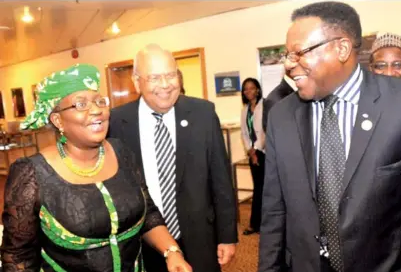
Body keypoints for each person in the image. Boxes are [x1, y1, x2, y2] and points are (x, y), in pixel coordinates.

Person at [259, 2, 401, 272]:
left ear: (341, 48)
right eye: (287, 55)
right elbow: (274, 212)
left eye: (299, 53)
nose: (289, 65)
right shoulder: (281, 116)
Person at [0, 64, 192, 272]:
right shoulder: (31, 174)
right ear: (57, 120)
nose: (96, 110)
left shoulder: (122, 152)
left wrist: (171, 251)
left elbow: (148, 213)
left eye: (100, 101)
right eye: (80, 104)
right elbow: (18, 257)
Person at [108, 44, 237, 272]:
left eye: (171, 75)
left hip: (199, 239)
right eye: (155, 77)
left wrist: (227, 235)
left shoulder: (203, 114)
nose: (166, 85)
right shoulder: (116, 122)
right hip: (142, 243)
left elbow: (221, 180)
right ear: (137, 82)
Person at [240, 78, 265, 235]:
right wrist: (250, 150)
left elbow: (265, 130)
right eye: (246, 89)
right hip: (252, 154)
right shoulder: (245, 110)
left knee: (265, 189)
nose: (249, 91)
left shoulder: (265, 106)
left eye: (251, 88)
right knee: (258, 189)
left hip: (264, 153)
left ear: (257, 89)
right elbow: (244, 132)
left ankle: (263, 224)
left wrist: (256, 149)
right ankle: (255, 223)